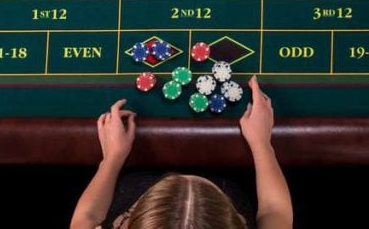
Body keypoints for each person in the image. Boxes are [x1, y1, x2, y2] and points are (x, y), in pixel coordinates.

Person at [69, 76, 293, 228]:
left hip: (130, 185)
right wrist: (263, 144)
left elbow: (84, 218)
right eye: (208, 186)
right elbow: (275, 211)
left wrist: (111, 159)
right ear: (238, 221)